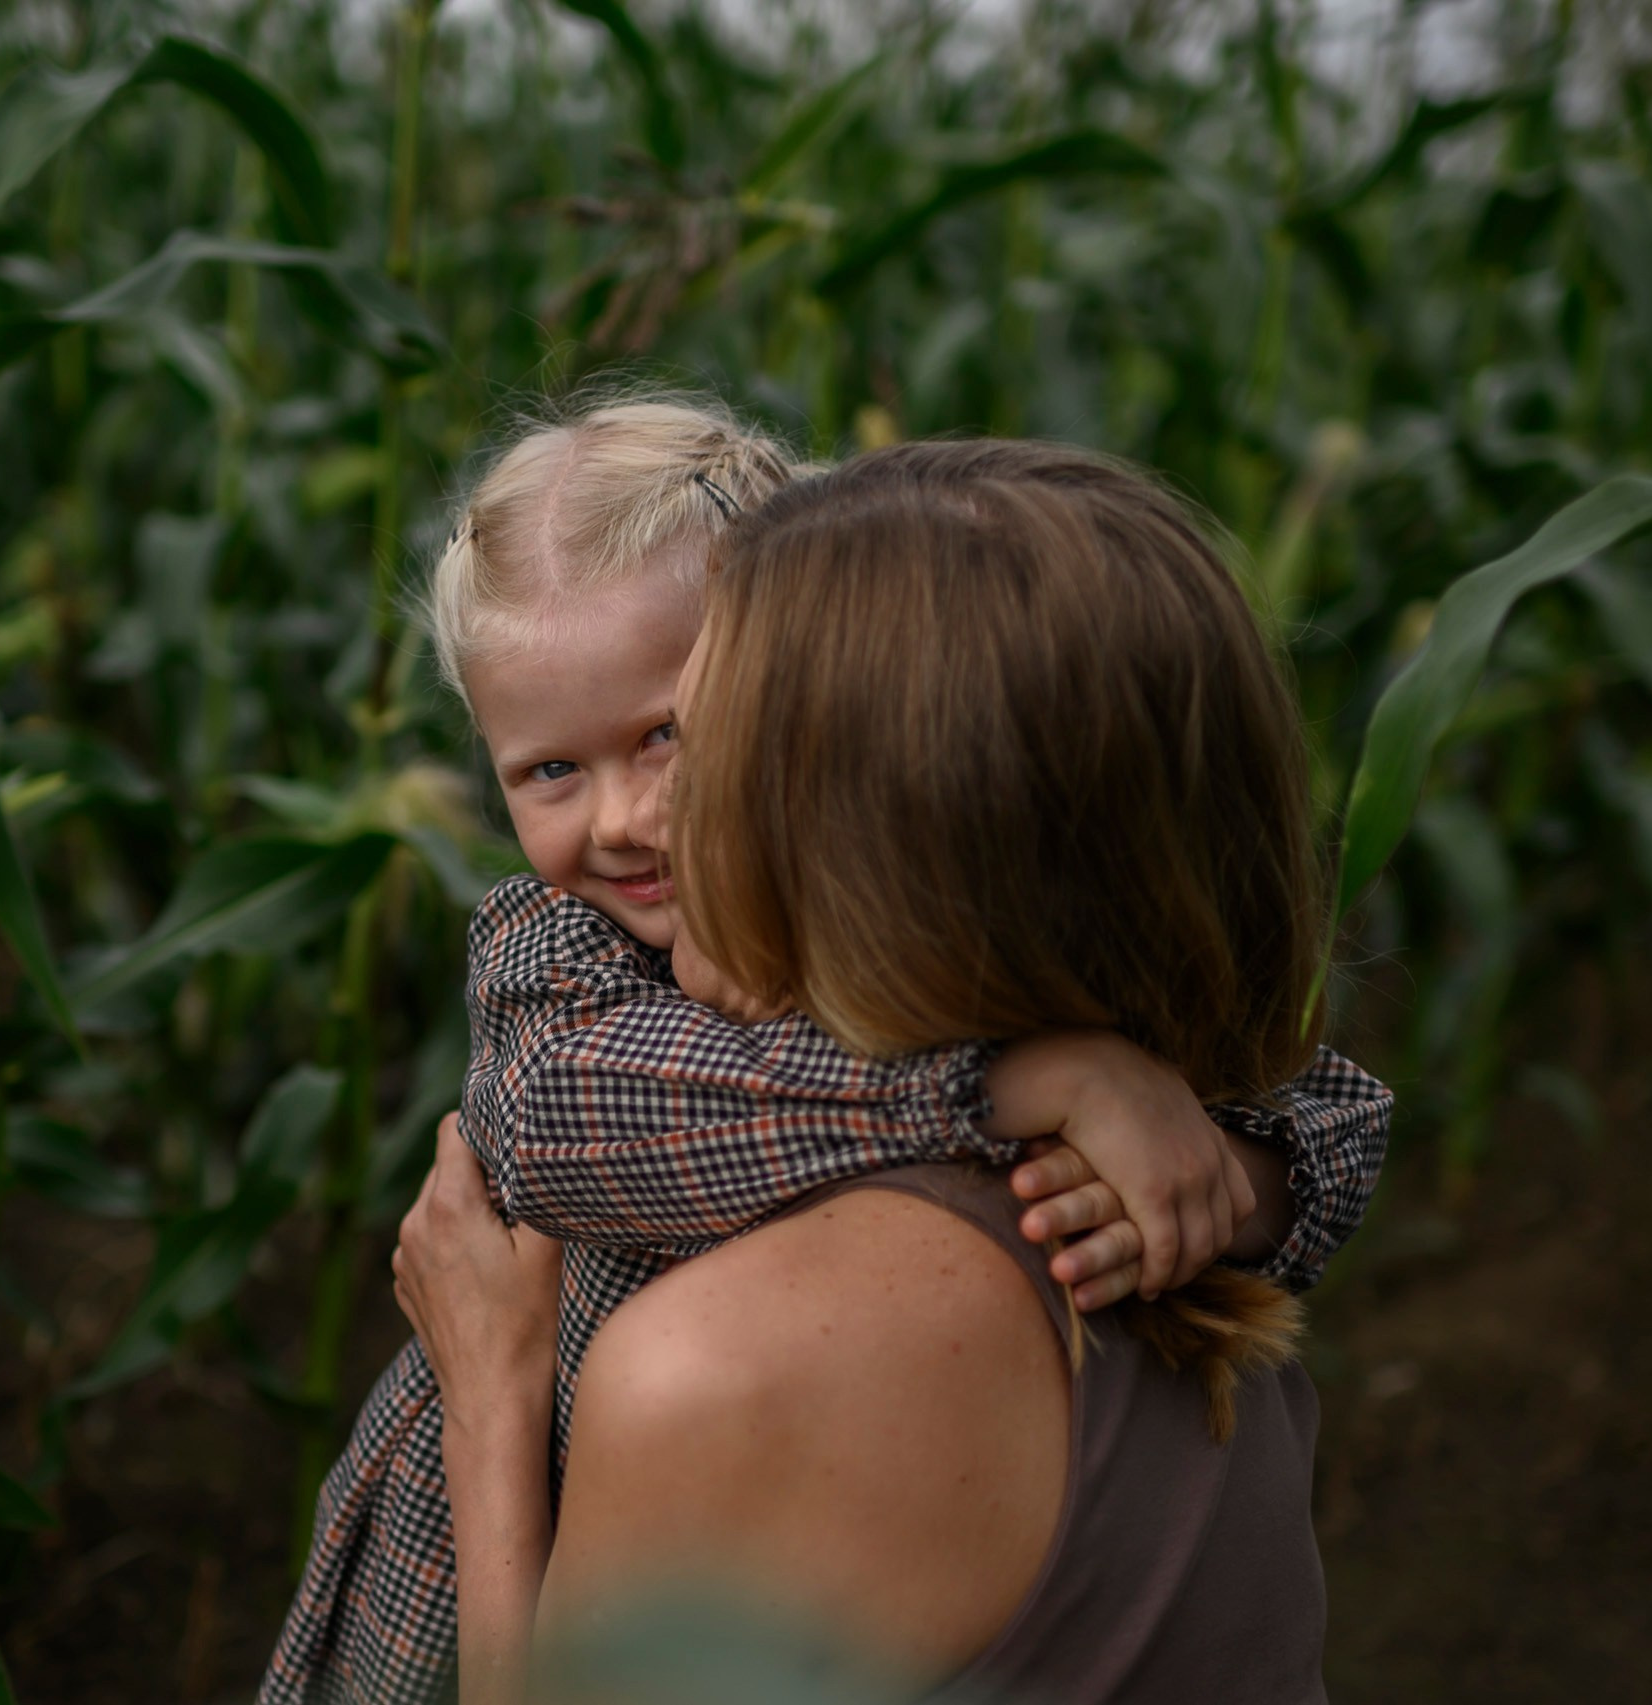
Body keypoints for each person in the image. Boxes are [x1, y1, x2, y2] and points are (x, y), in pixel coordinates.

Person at [261, 405, 1390, 1705]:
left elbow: (1330, 1121)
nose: (635, 821)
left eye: (685, 738)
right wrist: (1036, 1089)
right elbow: (550, 1111)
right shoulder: (569, 961)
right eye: (552, 770)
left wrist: (490, 1407)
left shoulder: (729, 1364)